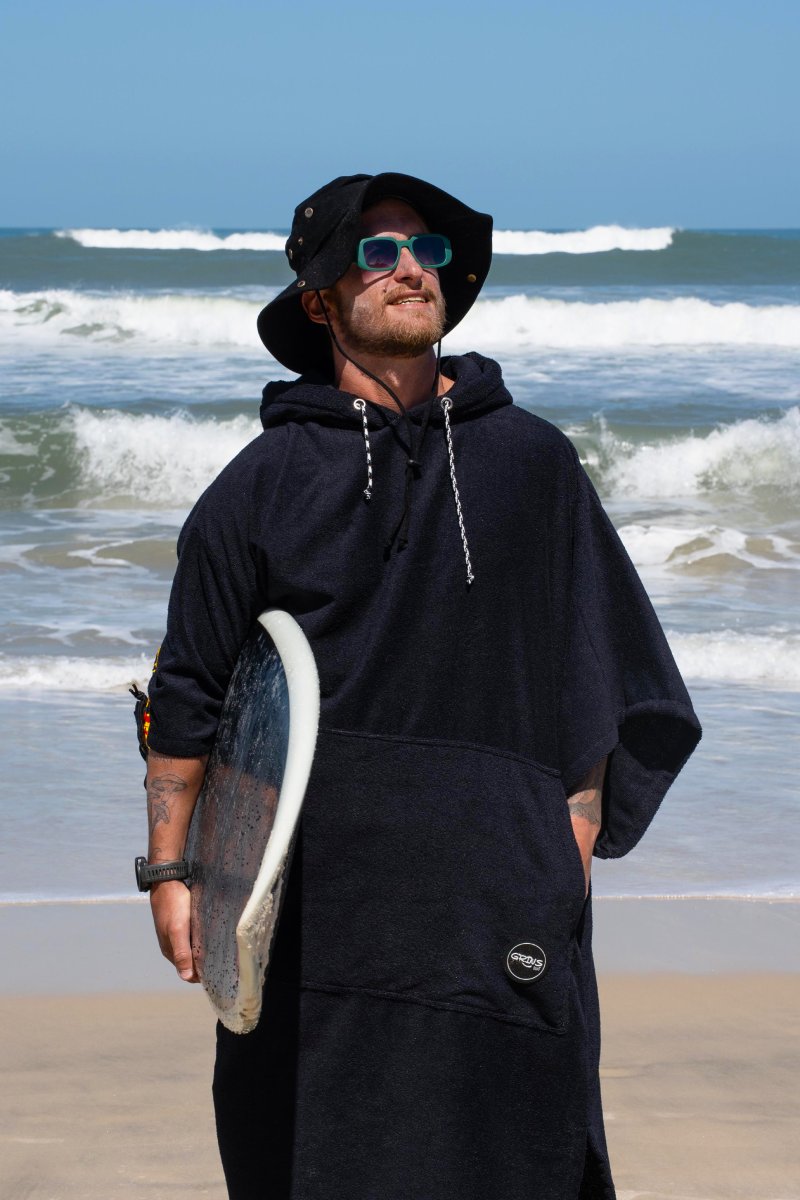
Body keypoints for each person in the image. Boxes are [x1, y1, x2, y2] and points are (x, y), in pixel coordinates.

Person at [139, 173, 701, 1199]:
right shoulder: (255, 489)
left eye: (428, 251)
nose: (411, 269)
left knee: (516, 1164)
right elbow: (193, 699)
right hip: (314, 918)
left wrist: (566, 851)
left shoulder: (532, 463)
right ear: (320, 301)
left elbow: (600, 676)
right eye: (377, 252)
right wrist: (172, 875)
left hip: (495, 906)